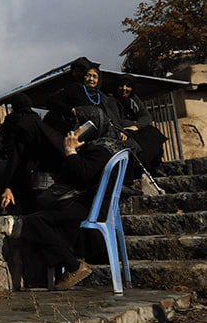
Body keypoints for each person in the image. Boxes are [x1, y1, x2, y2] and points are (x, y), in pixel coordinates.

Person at [15, 107, 127, 290]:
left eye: (79, 124)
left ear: (92, 125)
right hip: (93, 205)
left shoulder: (99, 150)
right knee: (43, 216)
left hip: (87, 207)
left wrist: (70, 152)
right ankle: (42, 279)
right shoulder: (108, 145)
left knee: (34, 221)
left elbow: (81, 175)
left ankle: (73, 267)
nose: (75, 127)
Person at [0, 93, 64, 215]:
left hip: (20, 166)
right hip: (37, 168)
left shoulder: (16, 122)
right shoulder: (36, 120)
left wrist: (7, 185)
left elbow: (14, 152)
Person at [114, 76, 167, 176]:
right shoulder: (112, 100)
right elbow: (117, 120)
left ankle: (155, 165)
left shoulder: (134, 99)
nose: (124, 88)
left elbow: (146, 116)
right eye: (121, 85)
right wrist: (132, 124)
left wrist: (136, 126)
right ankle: (141, 169)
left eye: (128, 86)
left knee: (153, 132)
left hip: (135, 128)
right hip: (123, 130)